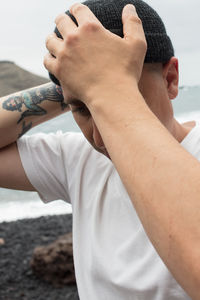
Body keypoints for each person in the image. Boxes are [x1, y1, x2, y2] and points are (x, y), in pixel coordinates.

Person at [0, 0, 199, 299]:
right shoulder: (76, 158)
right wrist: (74, 82)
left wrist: (100, 86)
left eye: (123, 94)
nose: (100, 137)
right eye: (80, 109)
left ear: (170, 79)